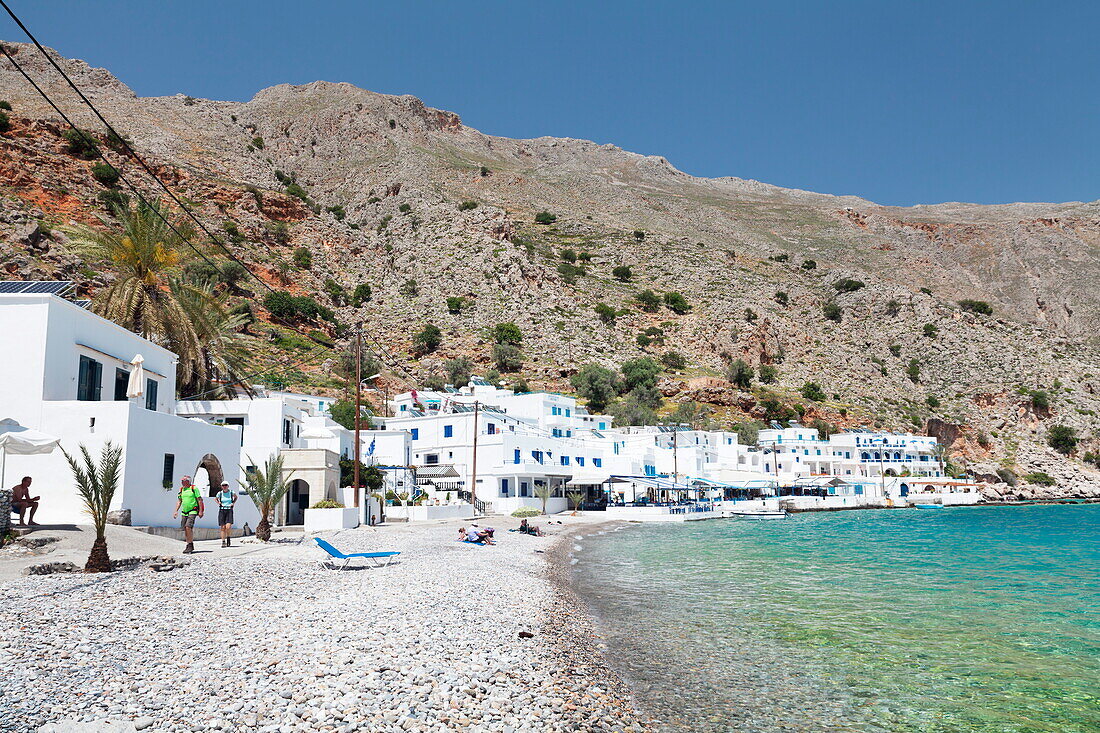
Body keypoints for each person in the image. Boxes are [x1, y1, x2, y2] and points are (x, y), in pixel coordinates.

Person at [172, 475, 204, 554]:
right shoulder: (182, 489)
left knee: (188, 526)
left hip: (193, 510)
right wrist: (176, 511)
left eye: (184, 480)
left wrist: (200, 511)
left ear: (188, 481)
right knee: (185, 528)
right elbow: (179, 501)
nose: (182, 482)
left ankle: (190, 545)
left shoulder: (194, 489)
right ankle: (189, 544)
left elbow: (199, 500)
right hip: (184, 511)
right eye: (182, 481)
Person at [215, 481, 236, 547]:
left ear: (228, 486)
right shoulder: (220, 493)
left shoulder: (231, 492)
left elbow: (236, 497)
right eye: (223, 485)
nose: (224, 486)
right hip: (222, 510)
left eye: (226, 485)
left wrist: (233, 503)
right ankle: (223, 541)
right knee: (222, 527)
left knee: (228, 527)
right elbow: (215, 499)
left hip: (229, 510)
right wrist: (218, 503)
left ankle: (228, 537)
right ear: (221, 486)